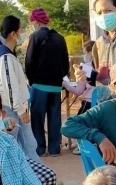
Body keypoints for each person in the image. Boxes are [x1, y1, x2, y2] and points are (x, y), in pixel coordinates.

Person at [25, 8, 69, 157]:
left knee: (37, 118)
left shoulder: (35, 37)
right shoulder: (60, 38)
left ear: (36, 22)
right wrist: (60, 77)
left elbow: (29, 61)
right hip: (56, 86)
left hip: (39, 85)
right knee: (55, 118)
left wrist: (31, 81)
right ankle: (55, 148)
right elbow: (65, 62)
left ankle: (40, 148)